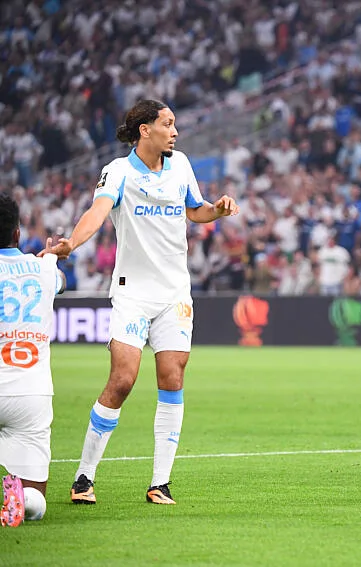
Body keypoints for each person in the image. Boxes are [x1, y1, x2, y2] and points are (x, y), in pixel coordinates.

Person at [39, 99, 240, 505]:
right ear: (145, 130)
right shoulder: (118, 172)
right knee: (123, 380)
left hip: (174, 295)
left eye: (175, 125)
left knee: (173, 378)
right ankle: (84, 477)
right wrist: (71, 245)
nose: (175, 131)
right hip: (132, 293)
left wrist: (216, 211)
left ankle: (160, 482)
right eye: (168, 124)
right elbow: (97, 212)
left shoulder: (180, 165)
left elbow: (194, 210)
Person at [0, 193, 66, 527]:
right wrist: (52, 256)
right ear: (16, 234)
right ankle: (21, 500)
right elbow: (61, 283)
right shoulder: (42, 269)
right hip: (31, 393)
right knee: (37, 500)